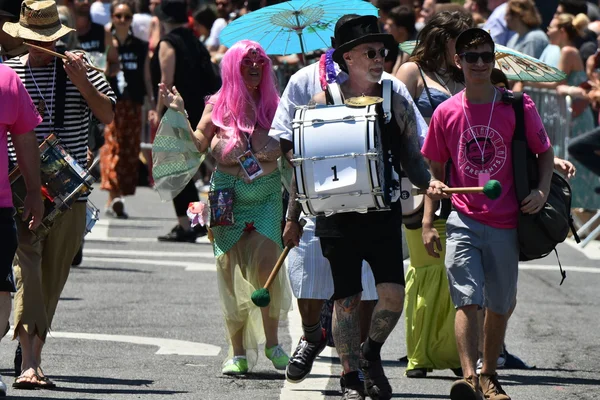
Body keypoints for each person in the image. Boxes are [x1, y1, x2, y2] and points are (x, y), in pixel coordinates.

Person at [284, 14, 442, 400]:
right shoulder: (322, 103)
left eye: (383, 52)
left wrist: (429, 182)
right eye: (370, 52)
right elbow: (304, 167)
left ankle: (370, 353)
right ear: (347, 58)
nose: (379, 58)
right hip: (337, 215)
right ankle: (350, 376)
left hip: (383, 211)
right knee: (347, 299)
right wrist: (291, 217)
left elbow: (411, 157)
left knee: (392, 295)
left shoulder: (393, 98)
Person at [421, 28, 555, 400]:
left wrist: (542, 190)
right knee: (468, 298)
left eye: (485, 56)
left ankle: (489, 374)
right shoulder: (446, 112)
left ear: (492, 60)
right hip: (463, 219)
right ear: (457, 61)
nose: (479, 63)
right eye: (471, 56)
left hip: (507, 221)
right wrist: (430, 220)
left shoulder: (517, 105)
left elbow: (544, 152)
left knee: (500, 304)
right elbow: (435, 171)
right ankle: (468, 377)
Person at [158, 39, 293, 375]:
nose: (253, 67)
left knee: (266, 269)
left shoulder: (276, 104)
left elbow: (292, 151)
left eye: (259, 62)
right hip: (224, 196)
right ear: (233, 66)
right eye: (247, 62)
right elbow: (198, 145)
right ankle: (238, 353)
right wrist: (178, 110)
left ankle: (274, 343)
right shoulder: (218, 105)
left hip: (265, 196)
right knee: (228, 271)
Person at [3, 0, 116, 388]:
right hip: (20, 186)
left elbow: (108, 116)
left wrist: (83, 80)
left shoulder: (81, 68)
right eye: (33, 38)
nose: (39, 46)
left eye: (46, 38)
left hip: (70, 190)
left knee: (52, 276)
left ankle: (31, 343)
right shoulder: (11, 71)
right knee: (26, 267)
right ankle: (30, 359)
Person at [395, 10, 473, 379]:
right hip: (417, 182)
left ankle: (452, 353)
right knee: (426, 269)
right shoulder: (411, 72)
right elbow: (390, 122)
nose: (468, 49)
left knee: (452, 271)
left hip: (457, 182)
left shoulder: (461, 75)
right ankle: (421, 354)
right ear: (444, 38)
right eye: (462, 40)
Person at [149, 0, 220, 242]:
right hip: (201, 110)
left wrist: (158, 110)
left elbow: (165, 82)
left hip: (179, 111)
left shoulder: (169, 43)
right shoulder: (194, 41)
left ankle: (189, 224)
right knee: (188, 170)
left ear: (164, 18)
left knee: (177, 171)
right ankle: (193, 222)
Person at [0, 14, 44, 400]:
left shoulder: (6, 79)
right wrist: (32, 190)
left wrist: (33, 190)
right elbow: (26, 141)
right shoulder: (7, 77)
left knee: (0, 290)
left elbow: (24, 139)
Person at [100, 0, 152, 218]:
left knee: (130, 149)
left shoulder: (140, 46)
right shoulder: (107, 42)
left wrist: (152, 102)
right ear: (112, 17)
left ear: (132, 19)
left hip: (134, 102)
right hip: (110, 102)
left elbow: (146, 76)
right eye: (118, 16)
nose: (122, 20)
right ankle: (115, 197)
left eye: (127, 16)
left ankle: (116, 198)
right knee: (113, 146)